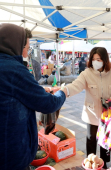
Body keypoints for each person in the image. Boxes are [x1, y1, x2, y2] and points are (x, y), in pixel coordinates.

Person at [0, 24, 66, 170]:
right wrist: (63, 93)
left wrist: (43, 89)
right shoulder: (14, 69)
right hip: (10, 155)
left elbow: (15, 92)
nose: (27, 52)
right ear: (16, 45)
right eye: (27, 47)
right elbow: (48, 104)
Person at [60, 47, 111, 169]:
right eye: (94, 59)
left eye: (99, 59)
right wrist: (64, 91)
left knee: (105, 140)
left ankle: (104, 163)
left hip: (107, 114)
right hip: (91, 113)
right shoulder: (86, 74)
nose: (96, 61)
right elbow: (76, 85)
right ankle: (90, 163)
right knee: (91, 139)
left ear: (105, 60)